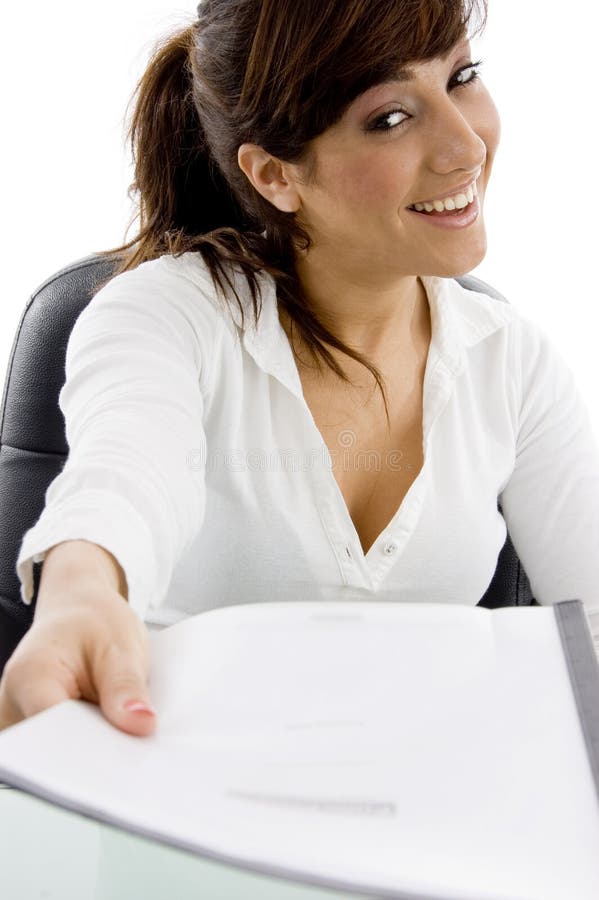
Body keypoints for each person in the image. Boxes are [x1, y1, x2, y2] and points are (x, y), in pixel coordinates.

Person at [1, 0, 598, 737]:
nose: (465, 144)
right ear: (275, 175)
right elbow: (121, 481)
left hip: (421, 822)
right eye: (389, 117)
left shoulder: (509, 359)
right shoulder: (165, 315)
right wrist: (82, 593)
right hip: (179, 803)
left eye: (461, 76)